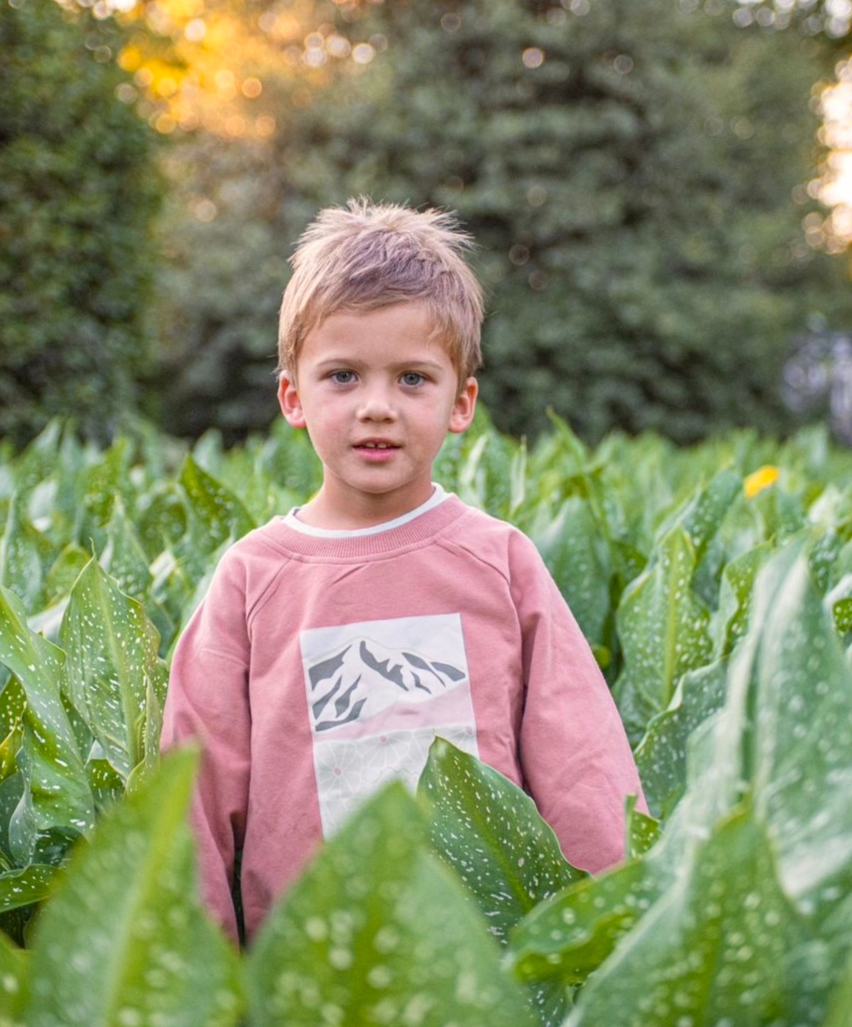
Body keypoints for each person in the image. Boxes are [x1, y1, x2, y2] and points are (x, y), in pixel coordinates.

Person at [160, 198, 645, 945]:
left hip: (484, 966)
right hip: (307, 973)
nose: (377, 407)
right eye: (344, 376)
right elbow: (192, 798)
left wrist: (608, 936)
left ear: (462, 402)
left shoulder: (499, 560)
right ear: (294, 396)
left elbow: (579, 760)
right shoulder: (252, 576)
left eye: (412, 379)